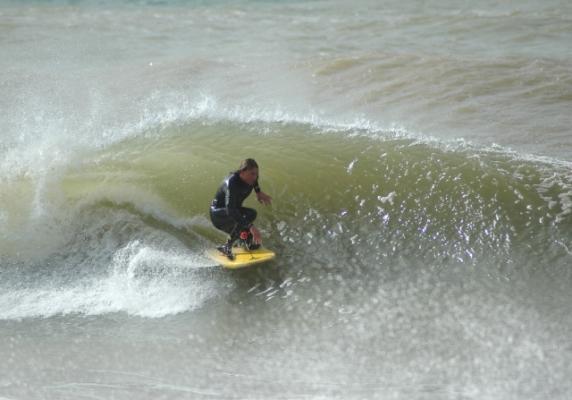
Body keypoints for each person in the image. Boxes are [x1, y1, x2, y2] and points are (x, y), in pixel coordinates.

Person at [210, 158, 272, 260]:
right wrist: (251, 227)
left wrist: (258, 192)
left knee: (251, 214)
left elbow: (255, 181)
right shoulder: (231, 184)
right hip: (218, 215)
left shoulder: (251, 178)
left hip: (233, 211)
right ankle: (227, 247)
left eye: (256, 174)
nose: (255, 177)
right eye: (252, 174)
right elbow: (230, 210)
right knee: (245, 218)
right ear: (242, 171)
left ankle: (241, 241)